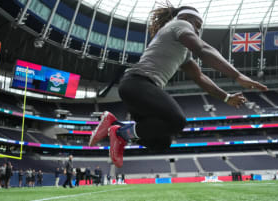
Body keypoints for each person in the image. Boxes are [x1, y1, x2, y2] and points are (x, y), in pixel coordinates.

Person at [89, 3, 267, 168]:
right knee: (177, 121)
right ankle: (120, 132)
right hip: (138, 83)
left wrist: (226, 97)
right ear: (187, 19)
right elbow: (203, 49)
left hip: (139, 89)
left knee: (159, 142)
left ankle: (117, 125)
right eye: (197, 24)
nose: (198, 29)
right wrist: (237, 76)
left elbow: (199, 77)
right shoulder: (180, 25)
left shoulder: (181, 49)